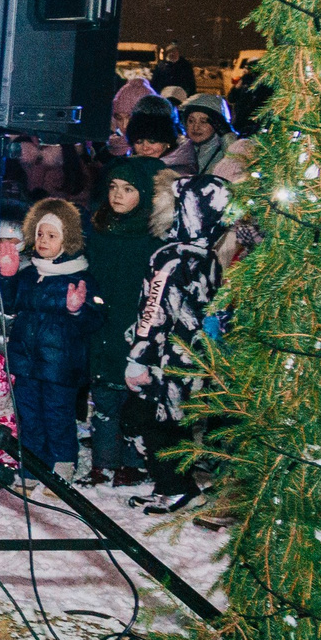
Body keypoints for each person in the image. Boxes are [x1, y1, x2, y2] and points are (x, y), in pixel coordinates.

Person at [123, 173, 235, 513]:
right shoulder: (207, 256)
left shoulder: (170, 258)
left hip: (166, 357)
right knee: (175, 421)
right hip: (193, 357)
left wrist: (138, 356)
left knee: (158, 422)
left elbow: (153, 312)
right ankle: (171, 484)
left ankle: (175, 487)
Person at [82, 156, 168, 487]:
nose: (117, 195)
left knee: (136, 398)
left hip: (136, 326)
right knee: (104, 394)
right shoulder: (99, 227)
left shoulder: (154, 237)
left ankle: (134, 461)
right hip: (101, 322)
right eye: (114, 187)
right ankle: (104, 462)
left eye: (128, 189)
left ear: (145, 194)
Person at [3, 199, 100, 479]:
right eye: (40, 234)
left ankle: (62, 462)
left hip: (60, 365)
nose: (43, 240)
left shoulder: (80, 277)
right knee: (29, 414)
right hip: (25, 361)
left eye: (52, 235)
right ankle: (34, 464)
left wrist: (77, 309)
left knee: (57, 415)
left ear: (67, 239)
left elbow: (95, 318)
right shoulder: (30, 274)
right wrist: (7, 277)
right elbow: (8, 305)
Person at [178, 93, 255, 181]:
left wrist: (227, 136)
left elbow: (239, 165)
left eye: (204, 121)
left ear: (218, 125)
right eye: (191, 121)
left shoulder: (226, 151)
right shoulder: (180, 149)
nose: (196, 127)